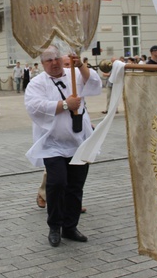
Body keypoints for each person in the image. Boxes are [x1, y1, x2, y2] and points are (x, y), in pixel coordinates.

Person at [25, 46, 102, 247]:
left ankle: (70, 227)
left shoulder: (74, 73)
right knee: (57, 183)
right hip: (53, 144)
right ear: (42, 64)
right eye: (48, 60)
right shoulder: (36, 83)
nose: (54, 63)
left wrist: (82, 66)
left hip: (78, 142)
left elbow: (94, 84)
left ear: (62, 58)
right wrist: (65, 104)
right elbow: (35, 106)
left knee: (76, 186)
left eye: (57, 58)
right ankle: (54, 226)